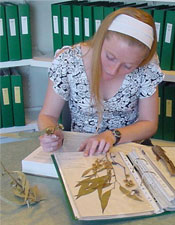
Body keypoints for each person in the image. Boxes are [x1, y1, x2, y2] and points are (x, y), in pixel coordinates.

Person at [38, 7, 164, 156]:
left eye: (128, 66)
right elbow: (48, 115)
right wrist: (50, 133)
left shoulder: (147, 68)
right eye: (110, 57)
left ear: (142, 61)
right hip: (81, 150)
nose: (113, 70)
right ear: (100, 39)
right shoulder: (69, 61)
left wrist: (112, 136)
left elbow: (149, 123)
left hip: (128, 147)